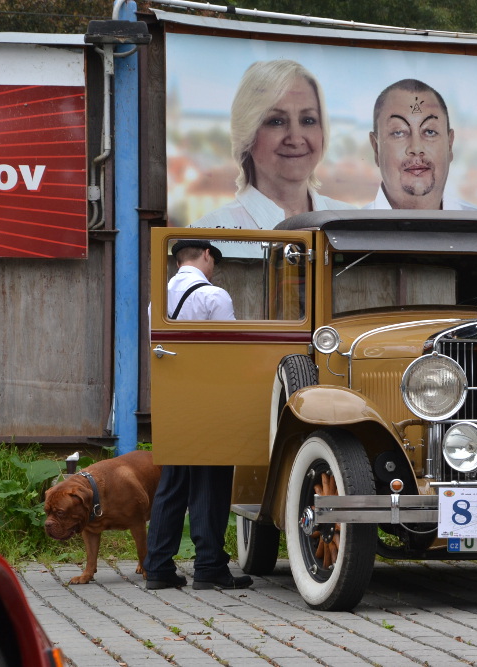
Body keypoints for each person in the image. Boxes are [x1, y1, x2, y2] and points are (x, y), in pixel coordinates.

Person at [145, 239, 251, 591]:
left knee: (172, 483)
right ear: (206, 256)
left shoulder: (157, 301)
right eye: (213, 261)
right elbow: (231, 352)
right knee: (211, 480)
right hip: (209, 398)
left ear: (178, 261)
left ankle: (158, 567)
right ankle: (208, 566)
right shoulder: (214, 296)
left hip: (173, 398)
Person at [193, 59, 353, 234]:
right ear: (247, 133)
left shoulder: (353, 224)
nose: (295, 139)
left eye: (308, 120)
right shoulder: (205, 235)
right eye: (276, 121)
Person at [365, 79, 477, 210]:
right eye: (398, 132)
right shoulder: (350, 223)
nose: (416, 148)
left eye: (430, 132)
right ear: (376, 148)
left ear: (449, 145)